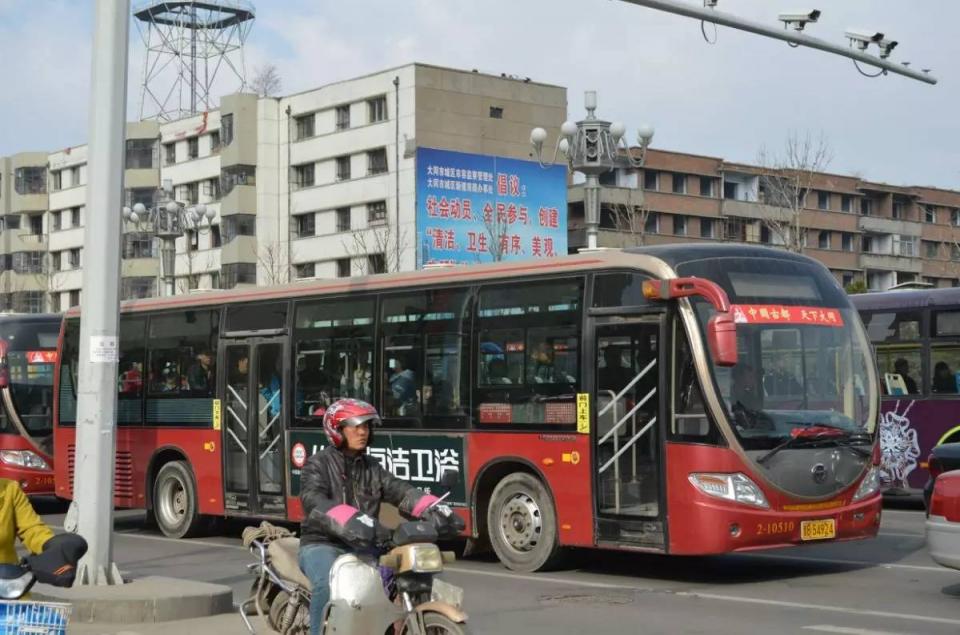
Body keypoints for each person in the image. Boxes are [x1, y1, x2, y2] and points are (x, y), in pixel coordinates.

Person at [298, 399, 464, 635]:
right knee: (326, 585)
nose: (363, 432)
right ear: (337, 430)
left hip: (366, 542)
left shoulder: (372, 467)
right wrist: (352, 519)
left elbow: (401, 490)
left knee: (407, 575)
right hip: (323, 544)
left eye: (366, 426)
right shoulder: (318, 465)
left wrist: (434, 508)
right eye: (355, 426)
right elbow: (313, 500)